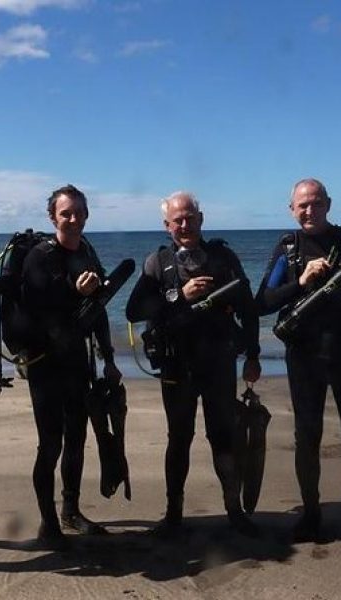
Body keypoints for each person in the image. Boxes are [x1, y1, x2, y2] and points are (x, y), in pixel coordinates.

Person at [255, 178, 341, 551]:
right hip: (304, 357)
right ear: (291, 209)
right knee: (307, 437)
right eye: (301, 205)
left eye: (315, 203)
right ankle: (311, 515)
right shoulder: (289, 248)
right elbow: (262, 302)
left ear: (328, 204)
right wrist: (300, 282)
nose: (308, 211)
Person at [126, 191, 262, 538]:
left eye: (190, 217)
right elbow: (134, 309)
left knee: (223, 437)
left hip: (218, 364)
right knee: (179, 439)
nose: (184, 224)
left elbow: (248, 307)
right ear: (167, 225)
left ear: (201, 219)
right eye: (177, 220)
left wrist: (253, 354)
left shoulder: (223, 257)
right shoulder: (158, 262)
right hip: (177, 367)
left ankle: (234, 511)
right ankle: (173, 514)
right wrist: (178, 296)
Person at [20, 184, 122, 549]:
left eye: (79, 212)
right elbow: (37, 307)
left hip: (78, 361)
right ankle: (49, 524)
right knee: (50, 444)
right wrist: (73, 293)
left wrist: (109, 359)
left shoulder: (88, 252)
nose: (74, 219)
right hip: (45, 363)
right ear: (53, 217)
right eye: (66, 213)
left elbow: (97, 311)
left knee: (77, 439)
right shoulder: (40, 256)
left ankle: (71, 511)